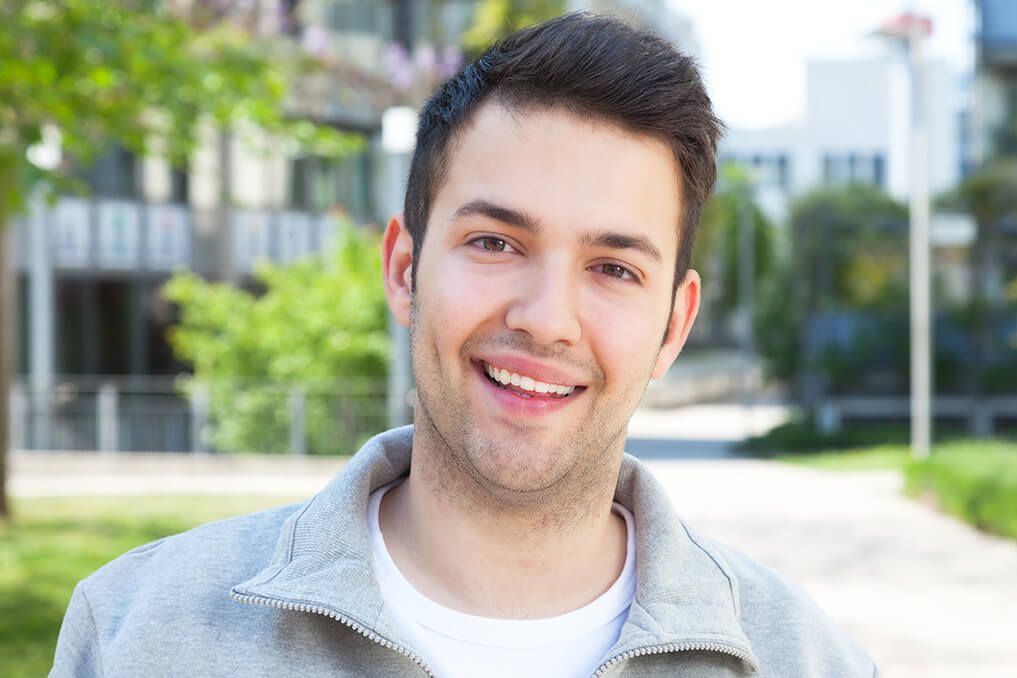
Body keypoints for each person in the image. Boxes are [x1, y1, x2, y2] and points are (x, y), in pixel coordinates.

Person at [52, 12, 878, 678]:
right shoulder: (137, 635)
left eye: (613, 268)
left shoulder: (808, 662)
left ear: (673, 325)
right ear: (404, 270)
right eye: (496, 243)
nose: (546, 319)